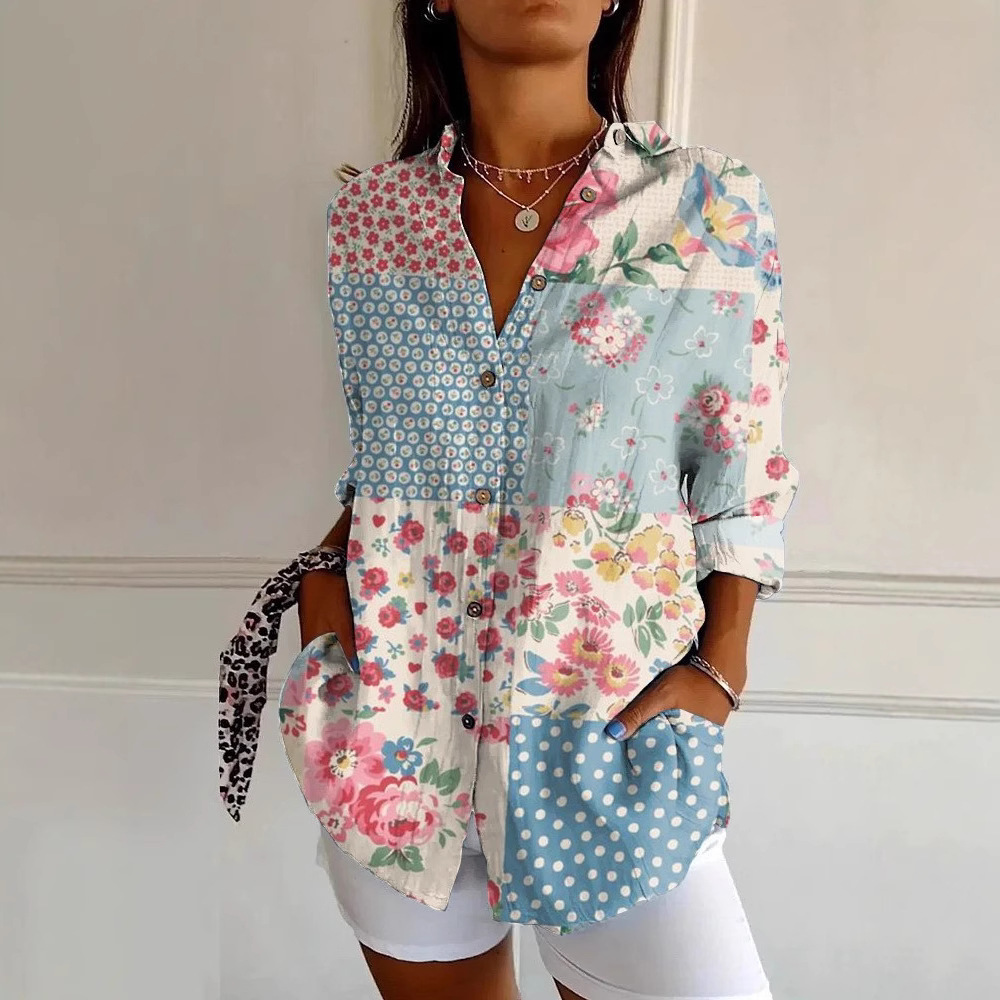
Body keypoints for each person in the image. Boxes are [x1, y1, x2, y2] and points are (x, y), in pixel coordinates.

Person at [218, 1, 799, 997]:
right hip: (396, 741)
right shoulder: (372, 219)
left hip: (608, 734)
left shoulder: (708, 205)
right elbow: (385, 457)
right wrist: (324, 604)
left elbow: (743, 466)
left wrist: (724, 663)